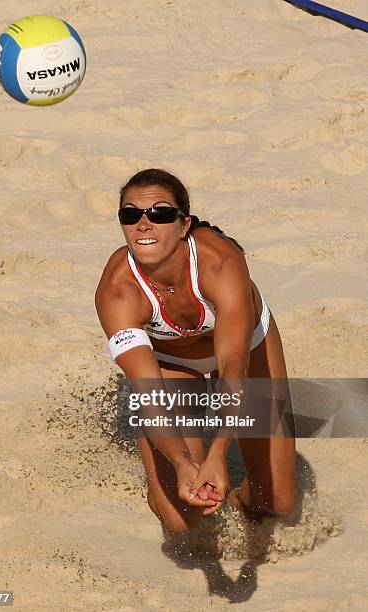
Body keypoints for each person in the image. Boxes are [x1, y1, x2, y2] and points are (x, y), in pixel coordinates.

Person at [95, 168, 296, 534]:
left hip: (243, 350)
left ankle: (239, 497)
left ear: (184, 224)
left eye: (159, 213)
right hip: (169, 359)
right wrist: (182, 461)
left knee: (276, 502)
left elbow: (233, 369)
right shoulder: (116, 289)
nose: (144, 223)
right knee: (181, 522)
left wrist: (218, 453)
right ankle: (162, 466)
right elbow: (148, 390)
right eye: (130, 214)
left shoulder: (220, 262)